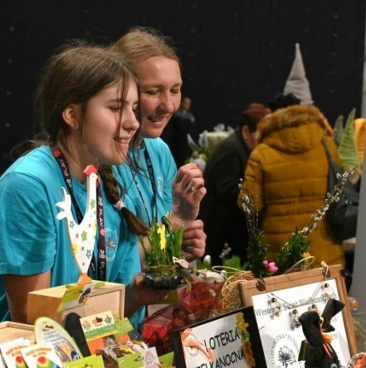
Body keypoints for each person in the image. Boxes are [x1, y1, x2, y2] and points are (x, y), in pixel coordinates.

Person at [0, 43, 169, 327]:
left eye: (133, 108)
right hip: (10, 365)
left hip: (75, 357)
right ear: (72, 115)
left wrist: (137, 297)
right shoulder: (29, 187)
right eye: (116, 108)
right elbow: (33, 322)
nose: (132, 122)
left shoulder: (108, 182)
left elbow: (105, 316)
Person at [111, 27, 206, 261]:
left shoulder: (159, 151)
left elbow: (154, 245)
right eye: (153, 92)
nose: (169, 106)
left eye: (175, 90)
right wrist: (176, 222)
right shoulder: (99, 157)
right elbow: (109, 267)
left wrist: (177, 246)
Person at [239, 104, 345, 268]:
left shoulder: (261, 153)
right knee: (325, 293)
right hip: (325, 249)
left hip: (279, 252)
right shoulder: (327, 146)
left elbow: (249, 205)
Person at [198, 102, 270, 264]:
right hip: (223, 237)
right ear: (246, 131)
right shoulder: (231, 150)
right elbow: (226, 191)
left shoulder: (238, 147)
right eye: (261, 135)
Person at [161, 96, 196, 168]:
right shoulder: (177, 114)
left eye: (189, 104)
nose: (187, 105)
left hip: (186, 141)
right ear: (182, 103)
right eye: (186, 103)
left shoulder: (189, 114)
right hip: (177, 140)